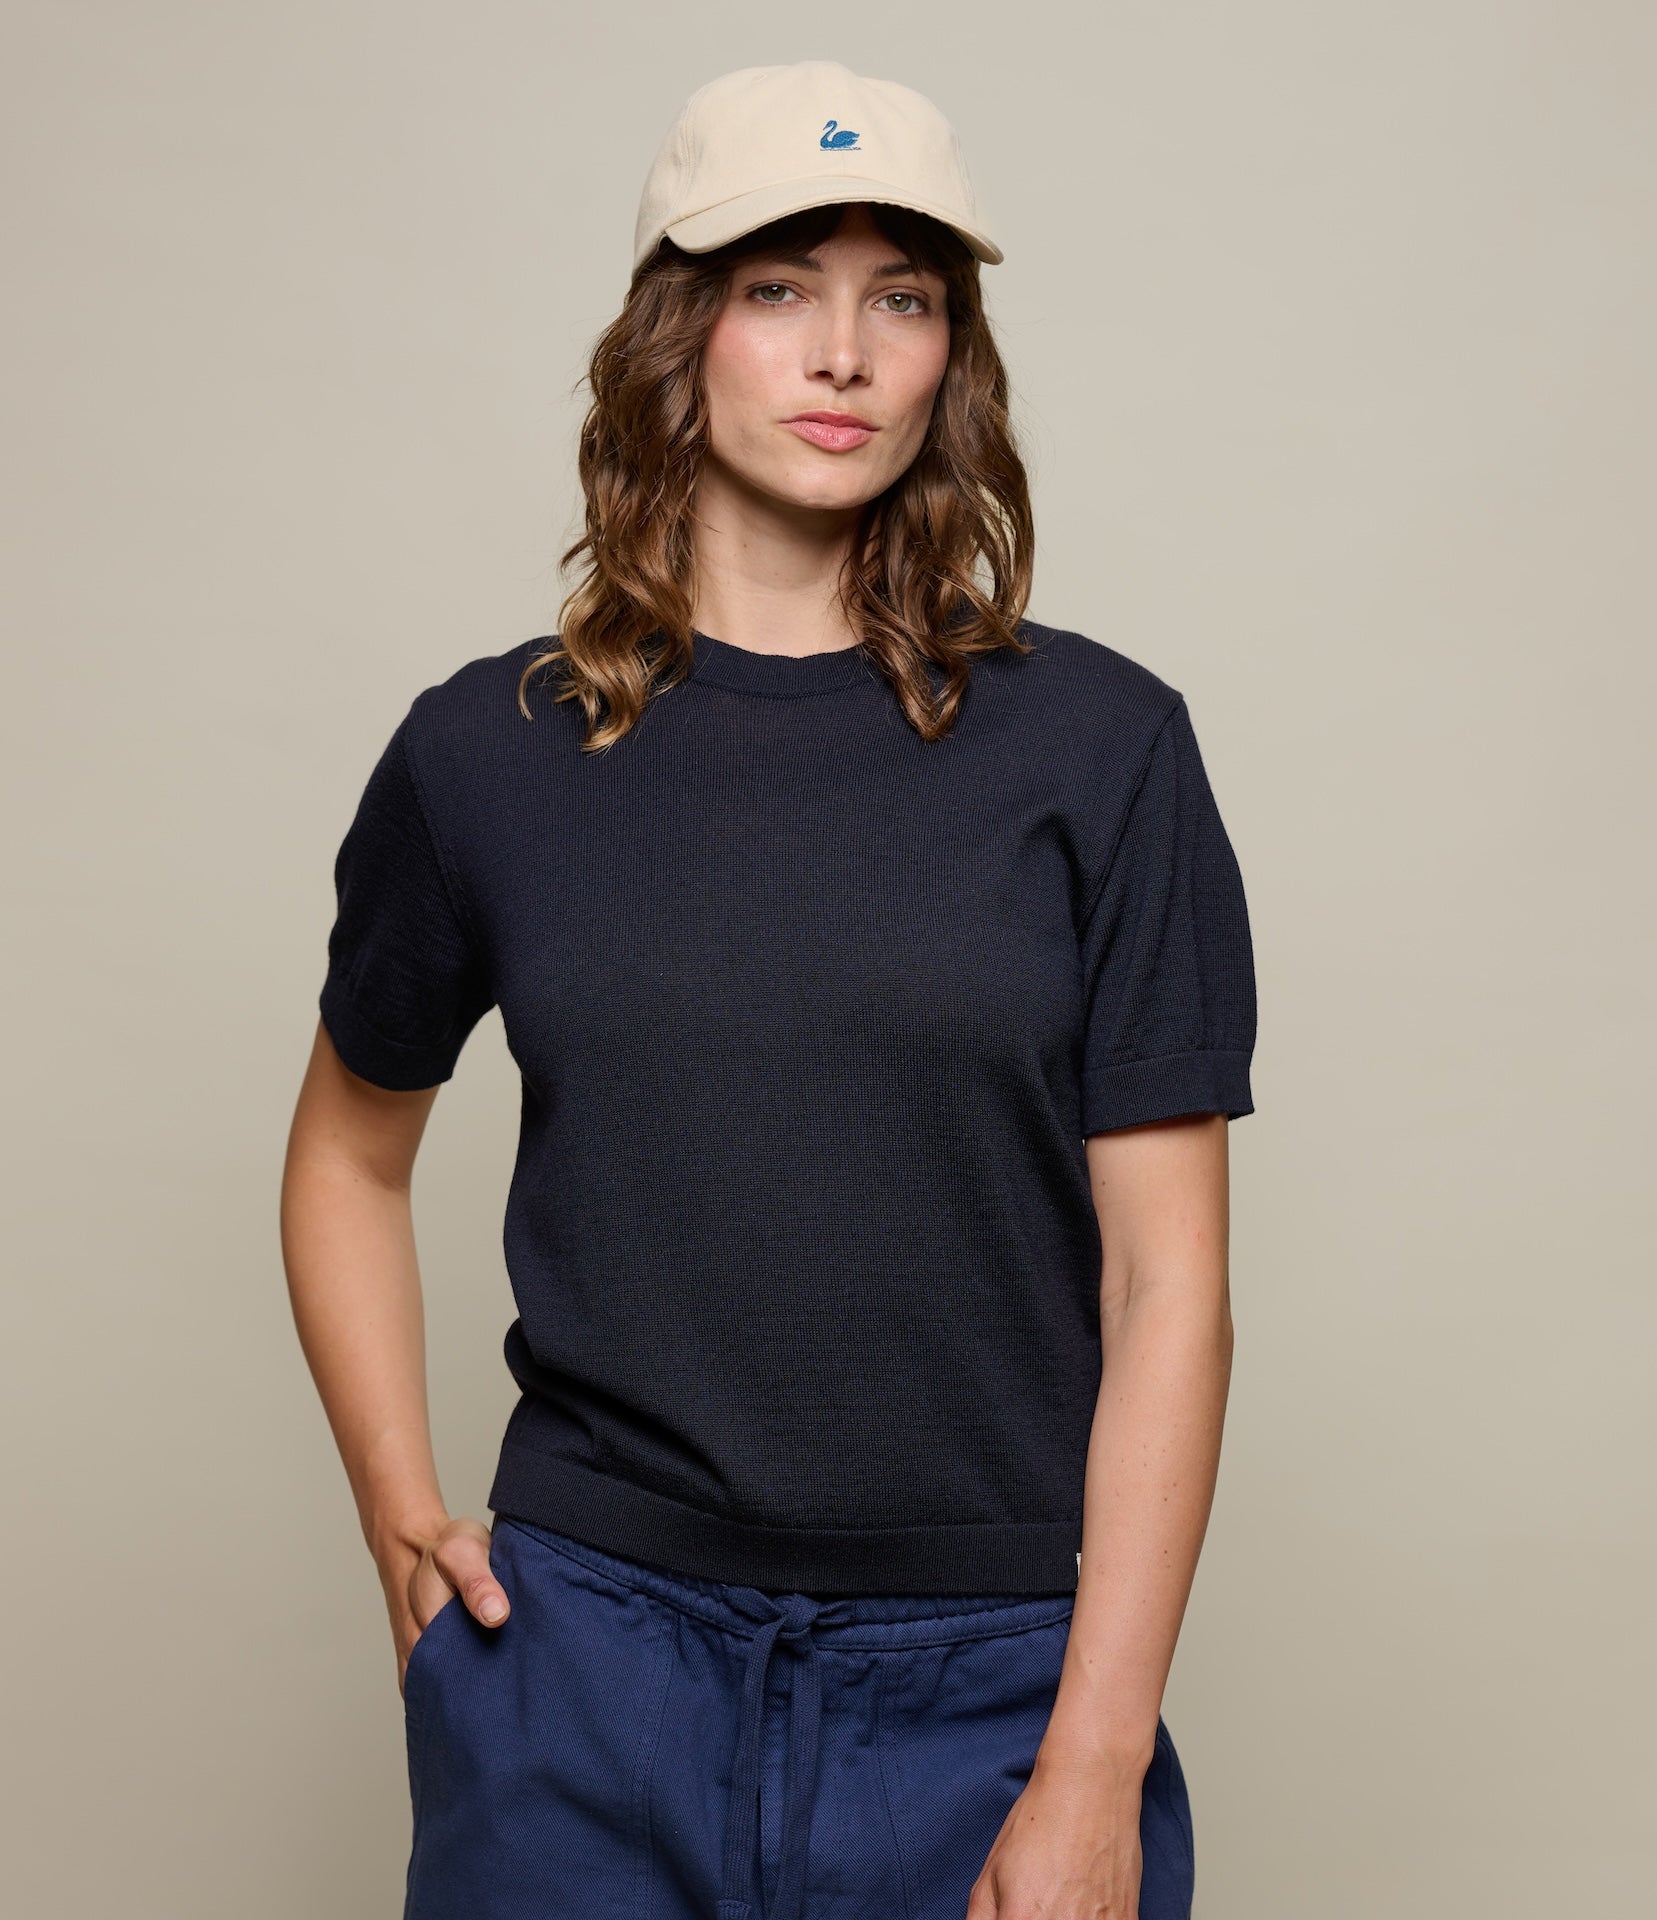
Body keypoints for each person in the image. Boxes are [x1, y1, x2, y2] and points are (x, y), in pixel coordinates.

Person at [281, 57, 1256, 1920]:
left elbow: (1168, 1284)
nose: (843, 354)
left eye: (900, 297)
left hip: (991, 1686)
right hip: (581, 1671)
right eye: (779, 287)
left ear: (948, 360)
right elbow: (342, 1155)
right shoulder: (486, 756)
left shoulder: (1105, 750)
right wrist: (398, 1513)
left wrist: (1093, 1761)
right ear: (678, 334)